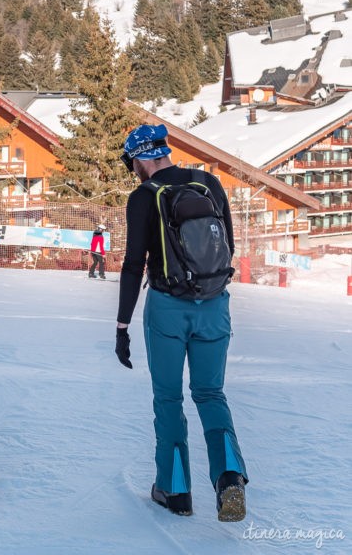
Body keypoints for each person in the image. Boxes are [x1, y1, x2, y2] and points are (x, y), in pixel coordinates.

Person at [115, 123, 248, 522]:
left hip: (167, 310)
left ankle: (174, 491)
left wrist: (122, 327)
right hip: (214, 305)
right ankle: (228, 479)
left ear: (140, 157)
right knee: (211, 394)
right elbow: (229, 246)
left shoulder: (144, 196)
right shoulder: (208, 183)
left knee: (169, 399)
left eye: (131, 162)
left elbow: (133, 263)